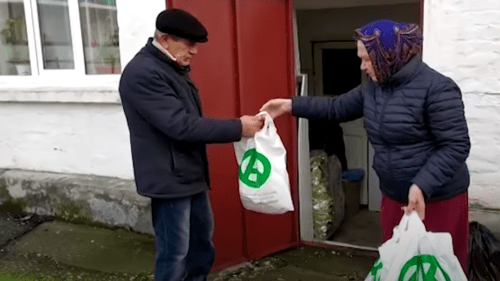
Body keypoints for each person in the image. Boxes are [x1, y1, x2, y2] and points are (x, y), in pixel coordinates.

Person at [260, 20, 470, 272]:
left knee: (437, 269)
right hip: (394, 197)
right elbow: (335, 107)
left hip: (436, 200)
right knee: (398, 266)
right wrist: (289, 105)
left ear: (388, 56)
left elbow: (455, 146)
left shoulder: (438, 89)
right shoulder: (373, 89)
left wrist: (421, 185)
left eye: (367, 59)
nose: (362, 66)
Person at [119, 9, 263, 281]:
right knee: (174, 254)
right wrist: (238, 127)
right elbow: (180, 125)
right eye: (189, 43)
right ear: (164, 39)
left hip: (189, 175)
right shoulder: (143, 73)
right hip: (169, 180)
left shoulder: (171, 68)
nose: (195, 51)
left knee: (201, 248)